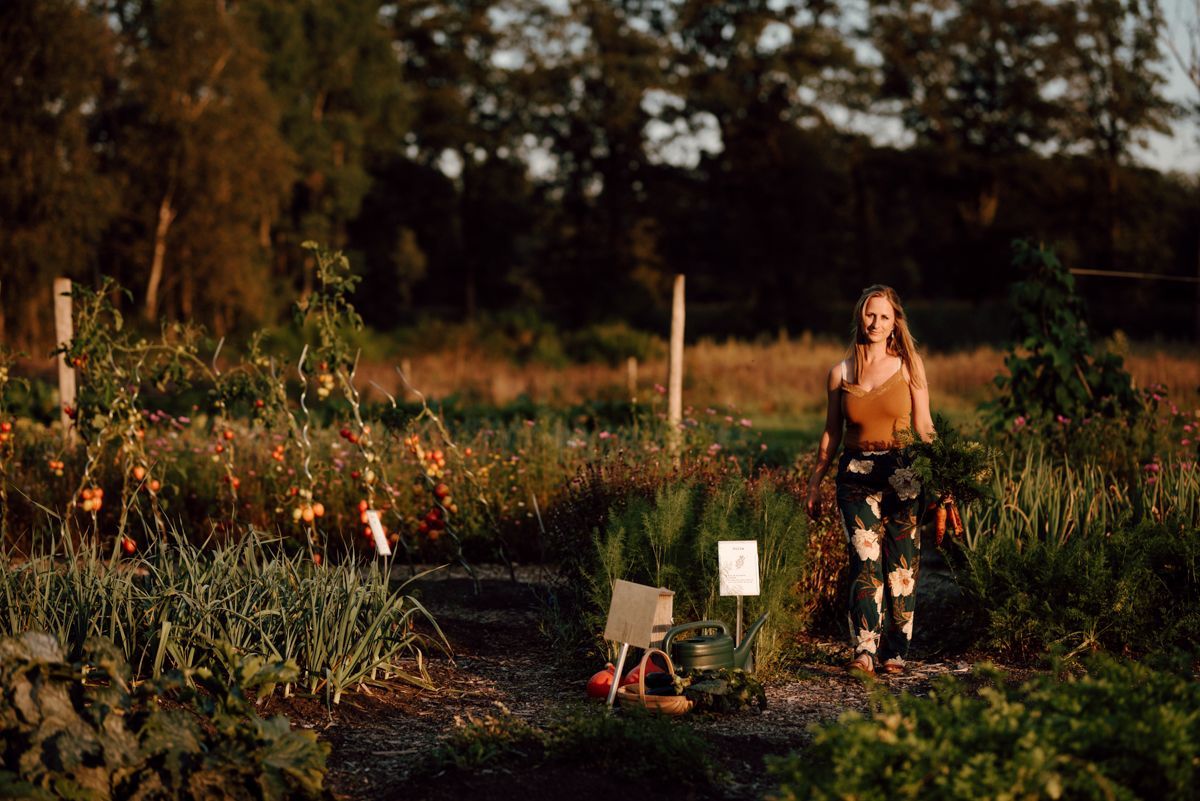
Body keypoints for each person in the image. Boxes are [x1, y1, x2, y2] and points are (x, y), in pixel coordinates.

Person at [805, 285, 935, 676]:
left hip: (903, 477)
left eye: (884, 316)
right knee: (865, 562)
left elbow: (925, 427)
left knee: (902, 567)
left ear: (895, 323)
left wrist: (944, 478)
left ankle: (895, 652)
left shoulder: (910, 367)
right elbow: (831, 433)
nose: (875, 323)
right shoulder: (840, 373)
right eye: (869, 314)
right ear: (860, 317)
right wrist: (814, 481)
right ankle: (864, 649)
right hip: (856, 476)